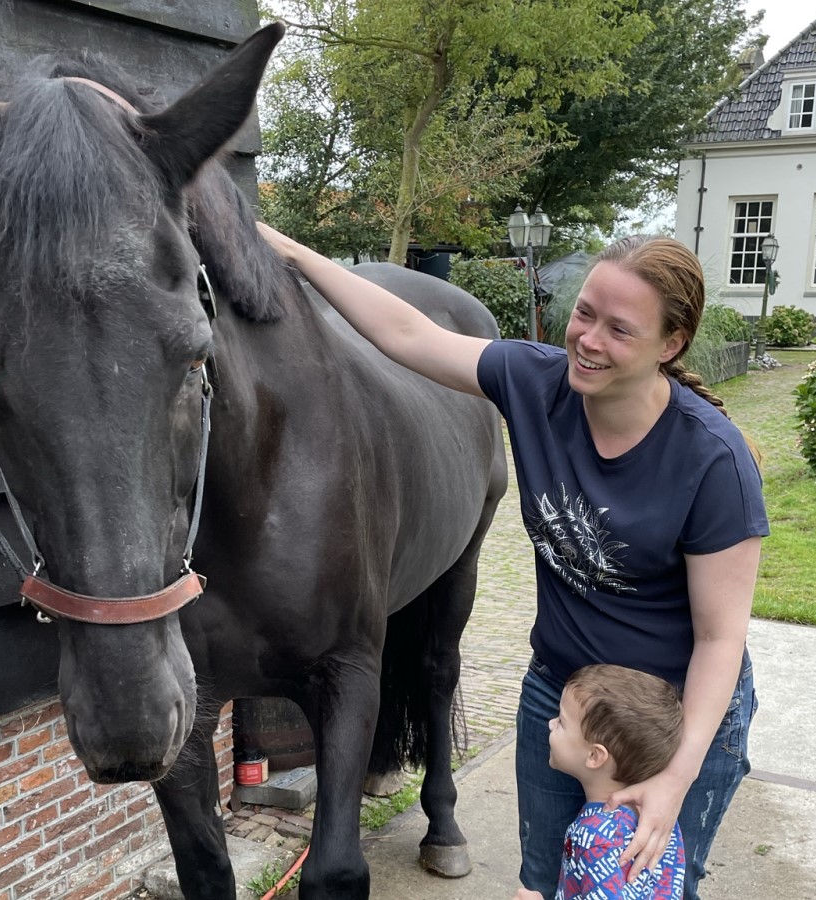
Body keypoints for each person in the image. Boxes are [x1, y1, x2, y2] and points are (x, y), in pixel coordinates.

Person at [255, 223, 768, 900]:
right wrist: (293, 253)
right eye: (584, 313)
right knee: (547, 884)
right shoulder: (536, 383)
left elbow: (720, 638)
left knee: (646, 892)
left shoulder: (713, 461)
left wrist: (675, 779)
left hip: (669, 724)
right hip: (561, 700)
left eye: (620, 329)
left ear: (670, 345)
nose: (588, 339)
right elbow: (408, 335)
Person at [532, 663, 687, 900]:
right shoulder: (658, 820)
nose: (551, 724)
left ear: (595, 756)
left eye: (562, 722)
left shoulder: (595, 838)